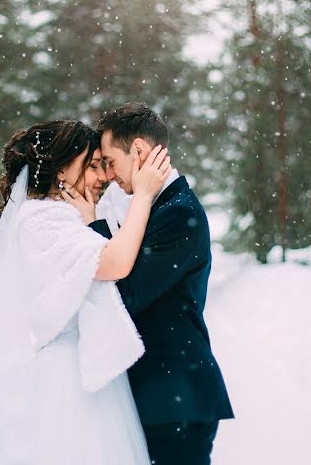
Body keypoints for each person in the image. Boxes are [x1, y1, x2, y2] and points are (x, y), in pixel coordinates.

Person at [0, 120, 172, 465]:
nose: (102, 177)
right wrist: (144, 195)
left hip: (85, 373)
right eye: (92, 165)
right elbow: (115, 262)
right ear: (62, 169)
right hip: (67, 383)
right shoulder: (41, 218)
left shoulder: (64, 216)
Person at [87, 102, 235, 465]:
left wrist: (91, 224)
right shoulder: (148, 206)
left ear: (137, 150)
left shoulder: (178, 212)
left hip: (175, 397)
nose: (107, 174)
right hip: (157, 394)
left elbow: (125, 295)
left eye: (109, 161)